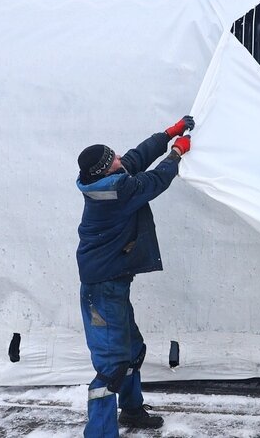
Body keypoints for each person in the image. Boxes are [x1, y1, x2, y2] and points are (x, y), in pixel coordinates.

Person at [75, 115, 194, 437]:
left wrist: (168, 133)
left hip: (113, 281)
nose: (118, 159)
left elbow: (136, 157)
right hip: (100, 289)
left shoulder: (108, 177)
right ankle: (100, 433)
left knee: (130, 349)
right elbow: (155, 180)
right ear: (104, 170)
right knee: (111, 365)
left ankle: (131, 411)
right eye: (112, 158)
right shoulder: (117, 190)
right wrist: (177, 153)